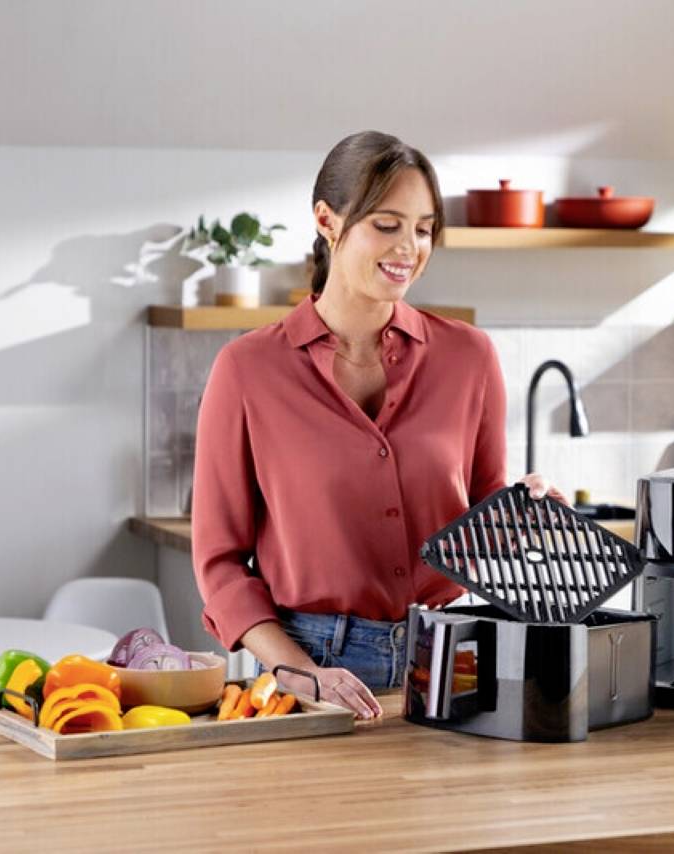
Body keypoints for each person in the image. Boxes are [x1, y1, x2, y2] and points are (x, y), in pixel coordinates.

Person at [191, 131, 565, 719]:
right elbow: (219, 564)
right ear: (327, 221)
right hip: (310, 668)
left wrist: (522, 512)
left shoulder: (469, 357)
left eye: (424, 229)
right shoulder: (248, 370)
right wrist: (303, 675)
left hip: (449, 655)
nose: (409, 248)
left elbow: (479, 519)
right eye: (387, 225)